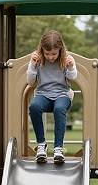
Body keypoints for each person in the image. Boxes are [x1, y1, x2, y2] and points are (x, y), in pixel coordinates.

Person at [27, 30, 77, 164]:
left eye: (54, 54)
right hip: (43, 94)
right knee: (34, 106)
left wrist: (71, 67)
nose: (50, 57)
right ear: (42, 50)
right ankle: (41, 145)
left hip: (62, 94)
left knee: (59, 109)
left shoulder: (66, 59)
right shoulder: (37, 60)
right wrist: (32, 65)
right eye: (47, 53)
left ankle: (58, 148)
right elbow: (31, 82)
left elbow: (72, 78)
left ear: (60, 49)